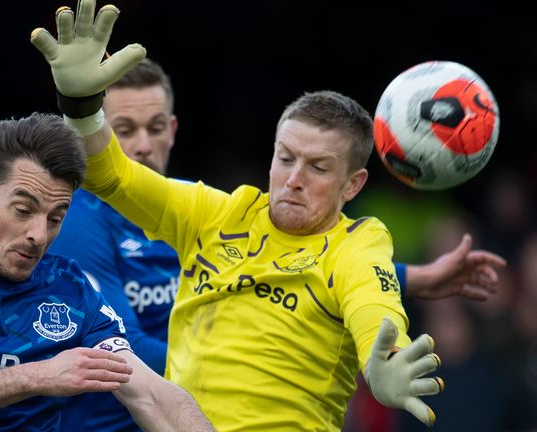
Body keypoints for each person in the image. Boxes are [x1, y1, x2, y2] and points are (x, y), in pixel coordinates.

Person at [31, 1, 449, 429]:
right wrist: (81, 107)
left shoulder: (357, 243)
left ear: (353, 185)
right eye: (285, 159)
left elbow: (371, 300)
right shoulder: (217, 212)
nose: (293, 179)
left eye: (318, 167)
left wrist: (386, 357)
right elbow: (111, 176)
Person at [0, 113, 215, 431]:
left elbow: (151, 395)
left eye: (55, 218)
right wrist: (36, 376)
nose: (39, 235)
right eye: (23, 209)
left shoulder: (71, 288)